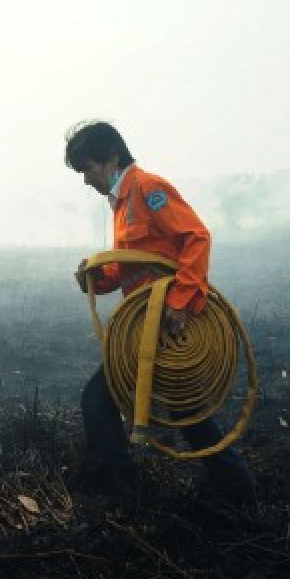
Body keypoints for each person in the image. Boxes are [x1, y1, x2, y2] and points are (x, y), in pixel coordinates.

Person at [65, 120, 256, 504]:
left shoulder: (149, 190)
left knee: (99, 397)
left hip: (164, 321)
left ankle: (114, 485)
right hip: (144, 324)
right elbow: (130, 268)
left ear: (113, 157)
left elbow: (196, 237)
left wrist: (181, 301)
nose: (86, 180)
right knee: (187, 409)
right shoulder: (120, 204)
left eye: (88, 168)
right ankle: (234, 482)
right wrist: (95, 279)